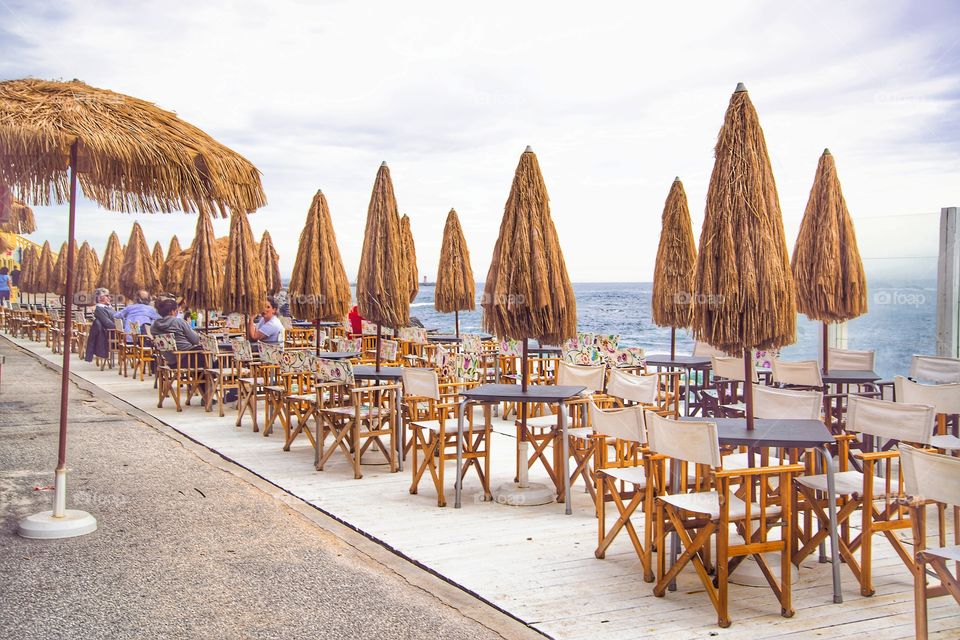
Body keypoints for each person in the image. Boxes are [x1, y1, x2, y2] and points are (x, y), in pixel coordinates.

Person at [84, 288, 116, 362]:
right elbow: (108, 323)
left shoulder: (108, 307)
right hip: (111, 334)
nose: (109, 298)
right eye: (107, 296)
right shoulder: (99, 309)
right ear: (100, 298)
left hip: (116, 333)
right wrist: (121, 328)